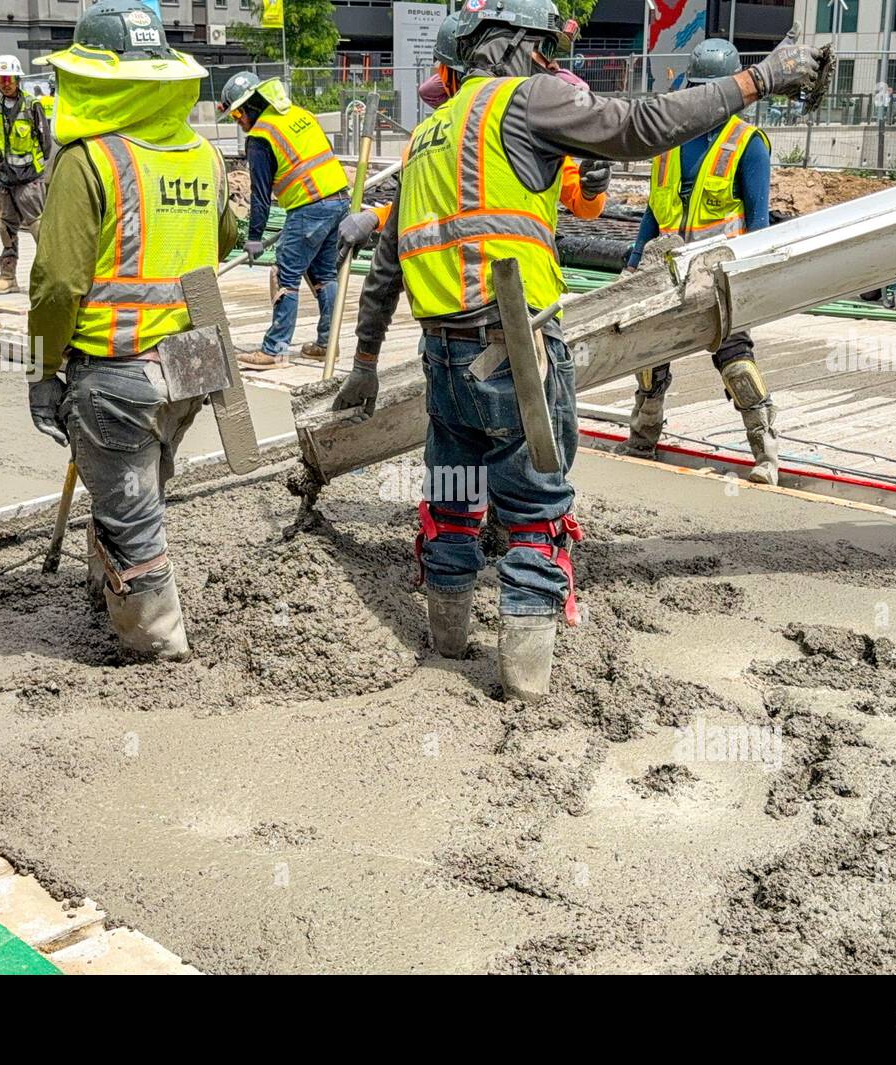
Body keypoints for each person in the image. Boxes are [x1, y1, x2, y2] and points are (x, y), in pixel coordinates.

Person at [332, 0, 827, 700]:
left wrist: (361, 368)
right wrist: (757, 81)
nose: (553, 61)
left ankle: (446, 644)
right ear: (512, 46)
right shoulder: (530, 97)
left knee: (450, 495)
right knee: (535, 510)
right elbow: (642, 125)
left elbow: (385, 270)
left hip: (441, 354)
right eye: (544, 47)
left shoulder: (429, 135)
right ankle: (525, 680)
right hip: (514, 348)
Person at [25, 0, 239, 660]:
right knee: (139, 485)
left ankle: (159, 655)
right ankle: (105, 587)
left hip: (120, 372)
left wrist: (42, 369)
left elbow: (58, 285)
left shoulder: (89, 162)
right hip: (193, 360)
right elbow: (224, 238)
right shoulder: (202, 157)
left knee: (132, 513)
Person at [621, 38, 780, 485]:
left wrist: (756, 277)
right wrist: (635, 263)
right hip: (668, 273)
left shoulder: (747, 145)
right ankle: (642, 438)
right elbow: (654, 210)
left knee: (736, 363)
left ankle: (765, 453)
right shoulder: (670, 143)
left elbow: (758, 220)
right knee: (650, 359)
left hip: (720, 276)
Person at [335, 12, 610, 261]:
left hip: (504, 288)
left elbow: (585, 206)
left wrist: (590, 190)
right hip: (471, 288)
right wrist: (375, 216)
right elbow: (414, 210)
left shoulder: (529, 129)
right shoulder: (435, 136)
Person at [217, 72, 350, 370]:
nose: (237, 120)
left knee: (284, 274)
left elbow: (260, 195)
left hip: (310, 205)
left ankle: (274, 349)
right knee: (324, 275)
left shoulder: (261, 137)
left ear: (253, 105)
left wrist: (253, 237)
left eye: (238, 112)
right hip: (339, 200)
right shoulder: (298, 115)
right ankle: (327, 343)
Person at [0, 55, 52, 294]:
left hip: (28, 179)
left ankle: (49, 276)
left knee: (38, 227)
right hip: (6, 178)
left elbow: (45, 142)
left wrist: (34, 170)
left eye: (10, 78)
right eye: (1, 79)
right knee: (6, 228)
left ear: (18, 79)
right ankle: (8, 277)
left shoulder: (31, 105)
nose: (6, 83)